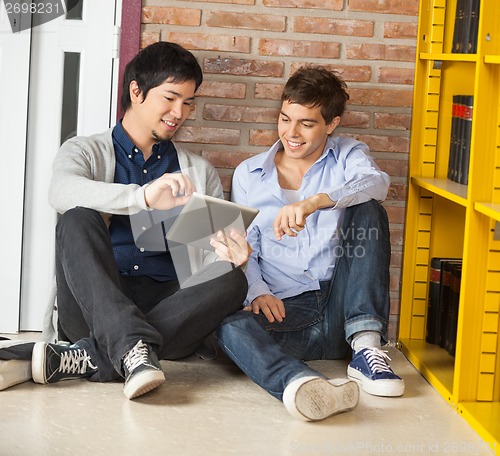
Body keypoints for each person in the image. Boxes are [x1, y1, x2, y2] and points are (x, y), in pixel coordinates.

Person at [31, 41, 251, 400]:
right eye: (170, 97)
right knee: (76, 218)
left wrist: (229, 257)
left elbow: (205, 260)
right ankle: (131, 345)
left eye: (188, 102)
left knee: (230, 278)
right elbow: (61, 192)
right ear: (136, 91)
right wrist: (142, 196)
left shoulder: (198, 171)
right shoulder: (85, 150)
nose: (179, 112)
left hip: (169, 308)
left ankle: (97, 355)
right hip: (94, 302)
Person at [215, 66, 404, 422]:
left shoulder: (348, 154)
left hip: (343, 304)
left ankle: (365, 348)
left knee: (368, 208)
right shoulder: (249, 174)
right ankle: (302, 384)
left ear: (331, 124)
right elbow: (245, 245)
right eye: (285, 119)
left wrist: (316, 201)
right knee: (227, 326)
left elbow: (376, 183)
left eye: (307, 123)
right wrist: (256, 292)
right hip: (288, 312)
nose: (291, 133)